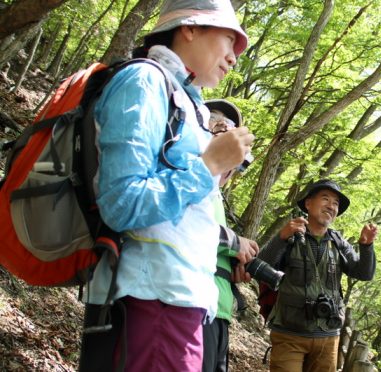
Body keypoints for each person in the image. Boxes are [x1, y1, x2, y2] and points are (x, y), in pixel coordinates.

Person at [79, 1, 253, 371]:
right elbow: (122, 203)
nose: (235, 57)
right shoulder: (143, 81)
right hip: (151, 301)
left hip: (177, 302)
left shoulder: (186, 101)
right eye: (229, 38)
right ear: (189, 28)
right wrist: (209, 165)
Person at [257, 179, 378, 372]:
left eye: (336, 203)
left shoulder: (339, 243)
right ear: (308, 203)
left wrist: (366, 246)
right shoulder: (291, 235)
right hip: (289, 335)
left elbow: (364, 273)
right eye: (325, 199)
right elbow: (260, 266)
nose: (331, 206)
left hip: (328, 338)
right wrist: (281, 237)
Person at [202, 99, 259, 372]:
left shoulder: (216, 199)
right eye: (213, 118)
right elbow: (179, 225)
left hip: (220, 310)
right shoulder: (188, 172)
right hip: (194, 308)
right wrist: (235, 243)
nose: (221, 126)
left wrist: (232, 266)